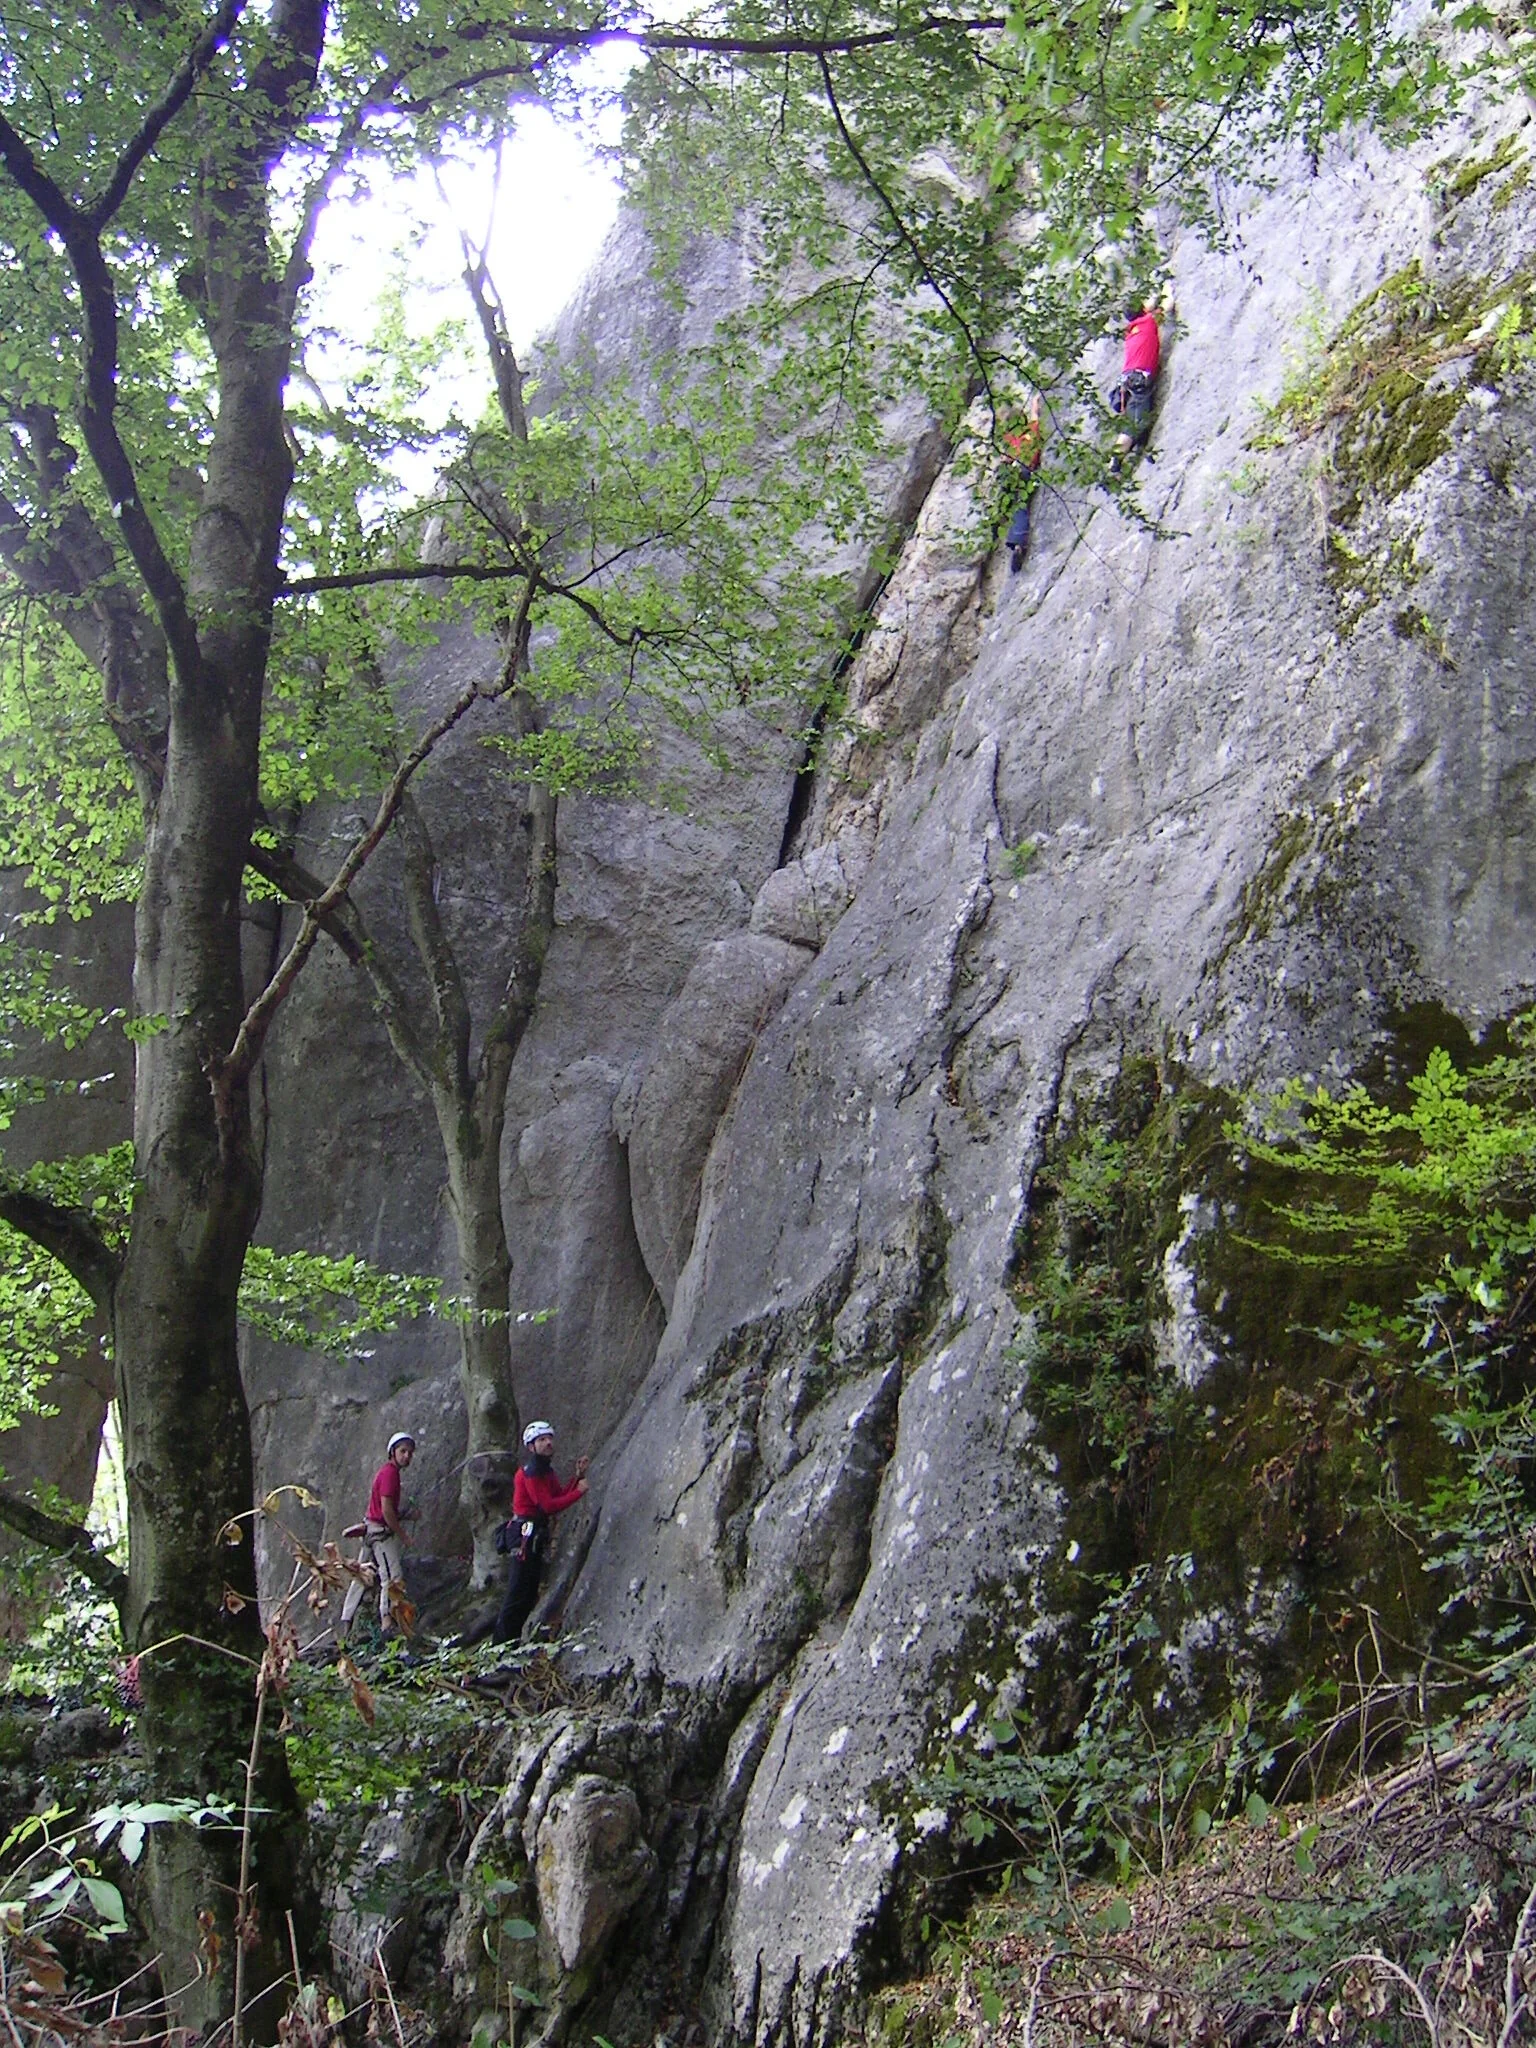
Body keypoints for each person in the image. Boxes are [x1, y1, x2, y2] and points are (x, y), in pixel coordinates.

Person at [491, 1420, 589, 1644]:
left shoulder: (546, 1470)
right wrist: (579, 1493)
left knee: (528, 1592)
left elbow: (558, 1495)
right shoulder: (532, 1471)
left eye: (549, 1438)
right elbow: (547, 1506)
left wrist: (577, 1477)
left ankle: (513, 1643)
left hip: (533, 1533)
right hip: (524, 1533)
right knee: (518, 1592)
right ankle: (501, 1646)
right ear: (531, 1446)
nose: (548, 1443)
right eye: (541, 1440)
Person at [338, 1429, 415, 1640]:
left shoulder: (388, 1472)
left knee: (361, 1576)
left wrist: (406, 1515)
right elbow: (387, 1510)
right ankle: (386, 1621)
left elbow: (385, 1509)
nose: (407, 1456)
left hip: (371, 1528)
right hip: (380, 1533)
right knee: (392, 1576)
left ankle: (347, 1618)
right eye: (403, 1451)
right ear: (393, 1452)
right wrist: (403, 1535)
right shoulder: (390, 1474)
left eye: (409, 1452)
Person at [1110, 297, 1163, 465]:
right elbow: (1164, 304)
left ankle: (1135, 448)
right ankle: (1115, 461)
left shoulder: (1131, 330)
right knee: (1134, 424)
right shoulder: (1149, 321)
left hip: (1126, 380)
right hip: (1139, 379)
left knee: (1138, 418)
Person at [1000, 392, 1044, 573]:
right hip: (1027, 469)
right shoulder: (1031, 430)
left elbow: (1004, 459)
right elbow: (1036, 414)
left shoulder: (1010, 439)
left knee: (1014, 506)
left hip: (1012, 472)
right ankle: (1018, 542)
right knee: (1021, 505)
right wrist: (1036, 400)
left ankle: (1011, 537)